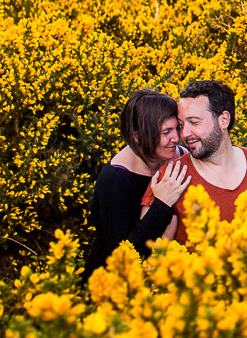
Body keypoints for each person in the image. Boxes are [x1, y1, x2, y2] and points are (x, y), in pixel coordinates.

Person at [141, 80, 247, 244]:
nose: (184, 134)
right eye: (181, 125)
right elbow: (151, 257)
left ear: (224, 120)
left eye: (194, 122)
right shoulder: (169, 178)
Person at [82, 89, 192, 279]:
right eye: (166, 132)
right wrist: (162, 204)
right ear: (138, 137)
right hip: (111, 286)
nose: (176, 138)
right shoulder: (116, 180)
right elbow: (124, 252)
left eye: (177, 128)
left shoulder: (181, 158)